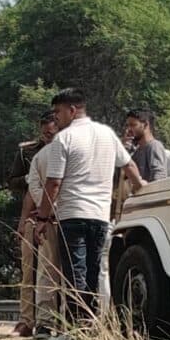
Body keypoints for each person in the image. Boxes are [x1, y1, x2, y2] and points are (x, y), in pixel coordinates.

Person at [29, 89, 140, 320]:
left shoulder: (64, 138)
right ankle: (92, 322)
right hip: (100, 216)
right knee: (94, 271)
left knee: (74, 273)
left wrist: (42, 219)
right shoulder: (107, 134)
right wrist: (141, 188)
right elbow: (129, 167)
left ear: (72, 110)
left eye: (58, 112)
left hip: (72, 215)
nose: (56, 117)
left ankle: (76, 328)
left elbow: (54, 183)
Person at [11, 110, 65, 336]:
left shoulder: (65, 149)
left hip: (57, 214)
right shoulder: (28, 151)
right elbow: (13, 181)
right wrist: (31, 177)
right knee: (29, 268)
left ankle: (57, 320)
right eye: (44, 130)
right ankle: (27, 320)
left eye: (51, 130)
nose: (47, 134)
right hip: (32, 213)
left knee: (55, 269)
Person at [124, 108, 170, 184]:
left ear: (145, 125)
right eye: (128, 125)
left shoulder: (154, 146)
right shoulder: (136, 152)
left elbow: (159, 180)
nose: (128, 130)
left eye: (133, 125)